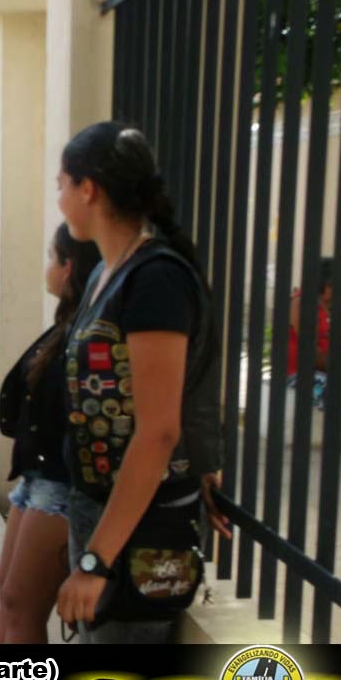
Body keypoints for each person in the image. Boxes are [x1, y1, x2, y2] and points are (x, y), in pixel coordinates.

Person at [53, 122, 221, 644]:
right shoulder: (107, 271)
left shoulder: (155, 279)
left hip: (139, 527)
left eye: (61, 184)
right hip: (102, 513)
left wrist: (95, 561)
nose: (58, 199)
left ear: (88, 189)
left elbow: (158, 431)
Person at [0, 224, 100, 644]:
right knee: (9, 595)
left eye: (51, 257)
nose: (47, 267)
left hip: (60, 484)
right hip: (38, 477)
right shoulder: (69, 323)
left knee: (22, 604)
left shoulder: (88, 329)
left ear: (68, 267)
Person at [287, 257, 341, 418]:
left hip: (334, 369)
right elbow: (311, 355)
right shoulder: (301, 304)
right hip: (303, 374)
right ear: (327, 285)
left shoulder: (333, 309)